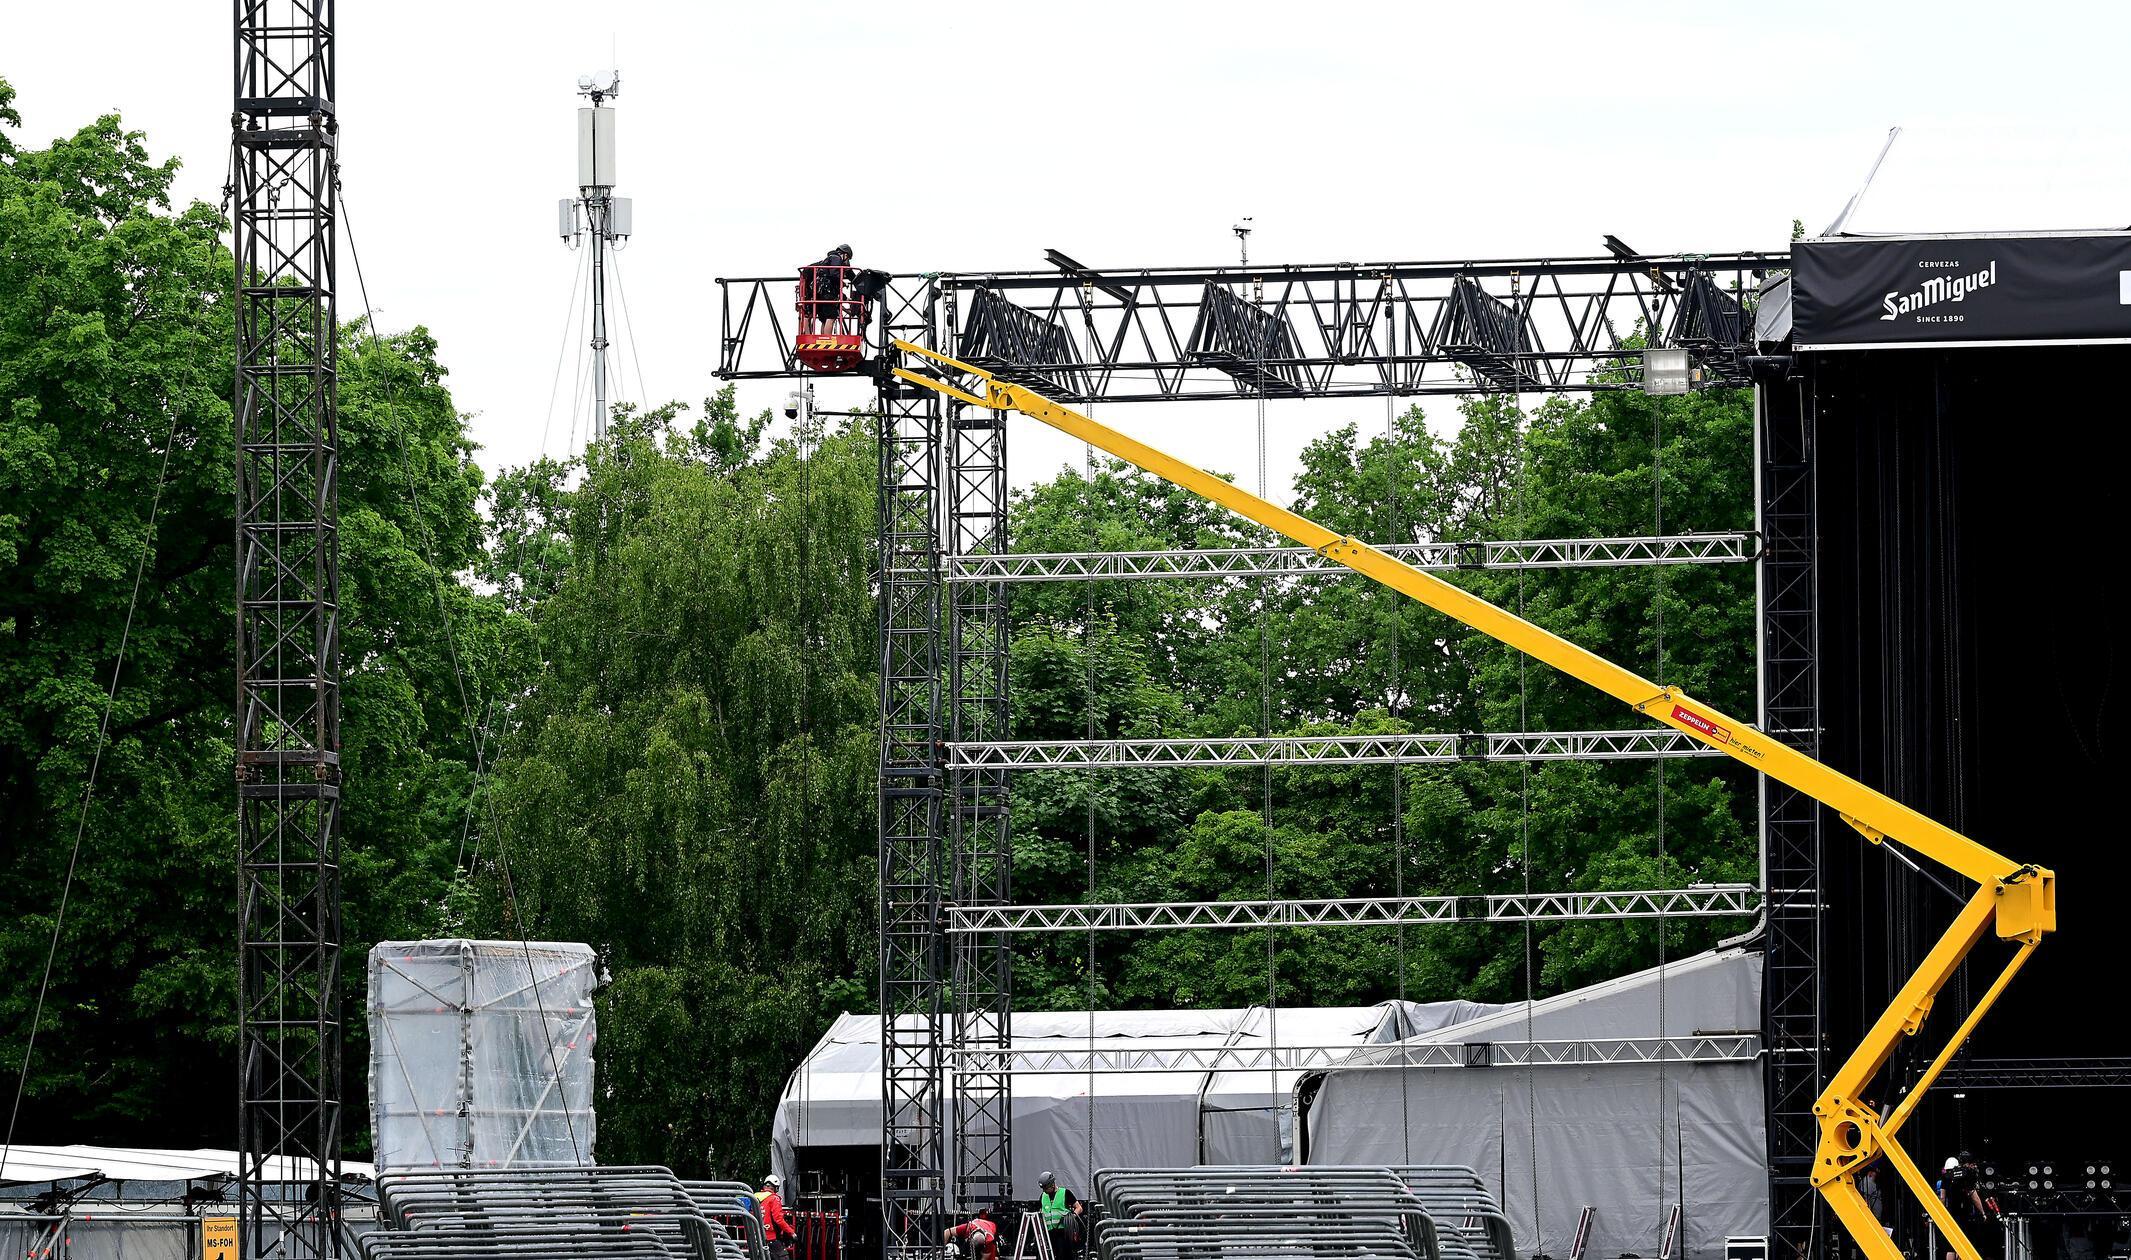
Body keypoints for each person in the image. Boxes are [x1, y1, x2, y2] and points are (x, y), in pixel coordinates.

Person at [801, 245, 852, 328]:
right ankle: (827, 339)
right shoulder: (836, 258)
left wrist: (845, 298)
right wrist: (842, 282)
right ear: (845, 255)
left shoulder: (825, 262)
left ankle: (810, 336)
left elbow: (835, 288)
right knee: (831, 316)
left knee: (814, 315)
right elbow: (834, 275)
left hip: (815, 290)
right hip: (825, 290)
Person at [1036, 1172, 1080, 1260]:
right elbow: (1041, 1211)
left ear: (1052, 1185)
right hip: (1049, 1233)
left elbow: (1079, 1208)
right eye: (1043, 1188)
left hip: (1063, 1233)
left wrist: (1072, 1217)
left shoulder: (1065, 1193)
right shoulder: (1043, 1196)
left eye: (1046, 1188)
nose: (1044, 1190)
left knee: (1063, 1256)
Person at [759, 1173, 799, 1260]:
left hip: (757, 1237)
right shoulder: (774, 1199)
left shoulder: (755, 1198)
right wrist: (791, 1232)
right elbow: (778, 1219)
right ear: (775, 1187)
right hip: (771, 1237)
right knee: (783, 1257)